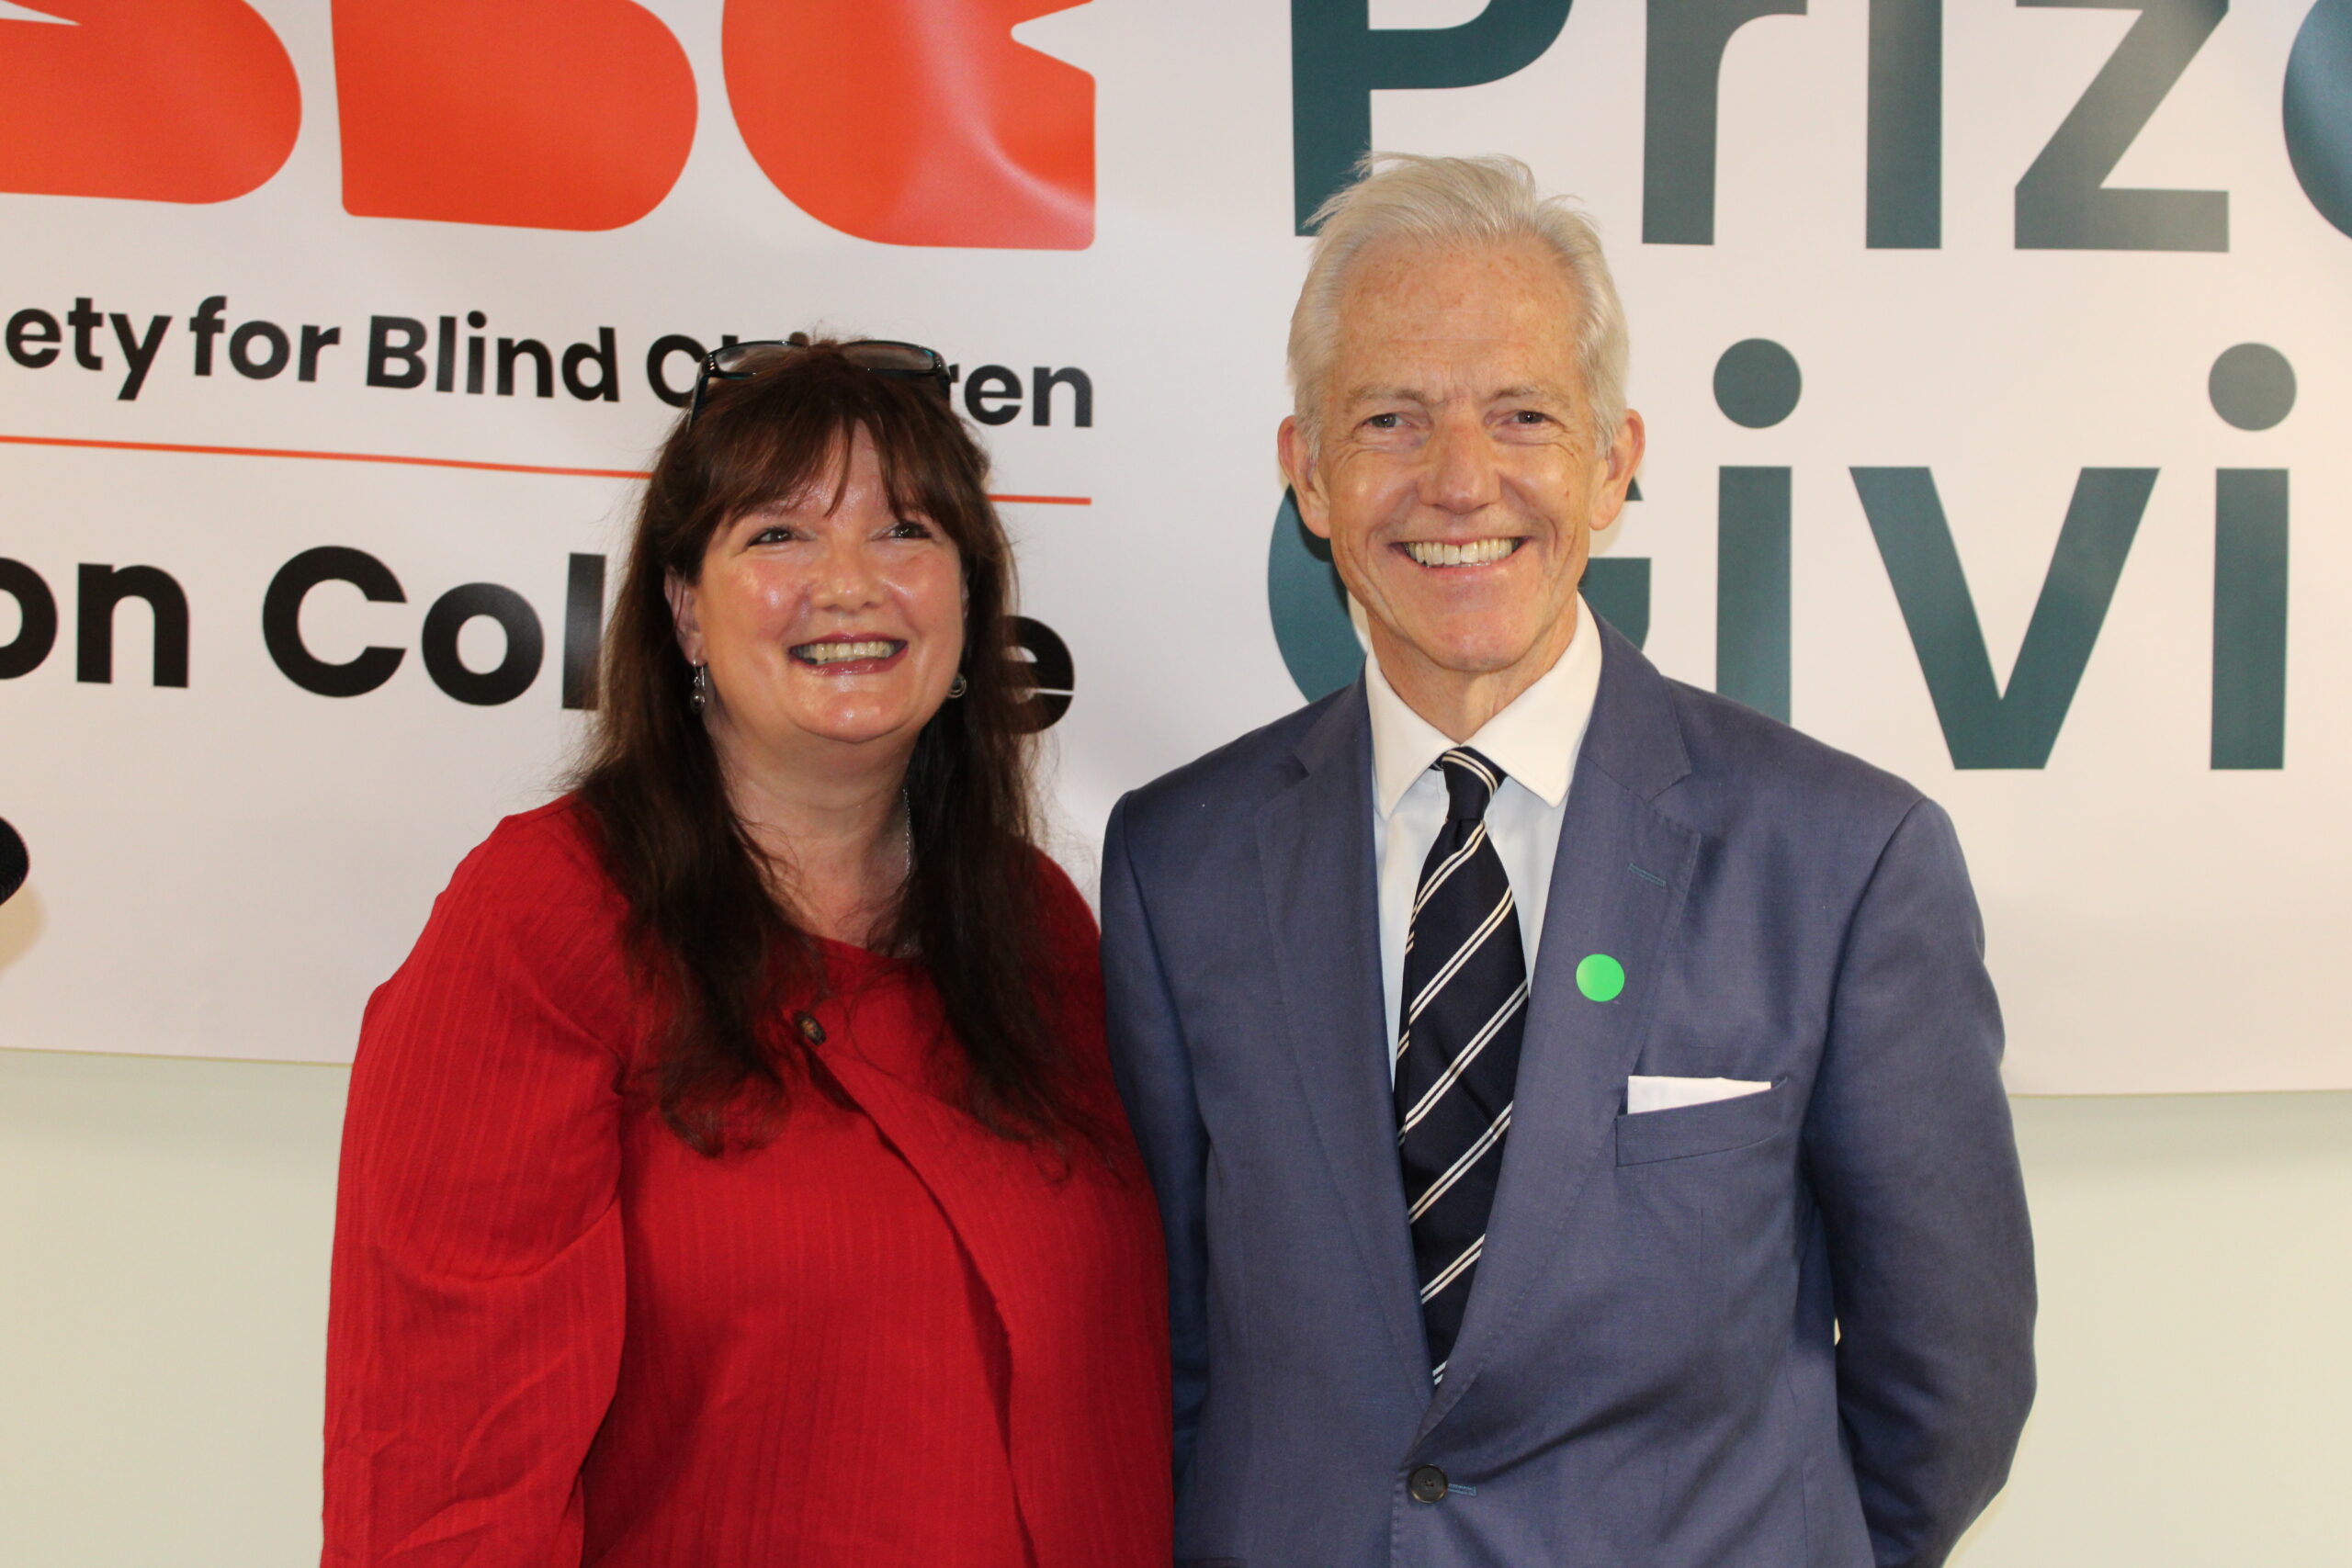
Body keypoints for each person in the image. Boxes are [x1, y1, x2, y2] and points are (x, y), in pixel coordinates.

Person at [1102, 154, 2034, 1567]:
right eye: (1389, 419)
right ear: (1310, 476)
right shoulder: (1181, 865)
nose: (1458, 479)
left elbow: (1948, 1378)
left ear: (1611, 462)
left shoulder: (1844, 863)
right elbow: (1162, 1352)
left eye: (1522, 414)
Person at [323, 338, 1170, 1567]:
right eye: (778, 535)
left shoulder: (1036, 929)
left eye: (906, 532)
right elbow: (446, 1480)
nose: (850, 584)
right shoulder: (547, 918)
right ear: (683, 609)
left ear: (973, 600)